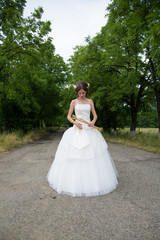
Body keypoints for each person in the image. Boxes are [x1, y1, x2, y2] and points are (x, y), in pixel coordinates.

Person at [47, 81, 118, 197]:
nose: (81, 95)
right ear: (77, 92)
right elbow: (69, 116)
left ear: (86, 92)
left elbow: (95, 115)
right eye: (79, 93)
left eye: (83, 93)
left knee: (93, 154)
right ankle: (73, 182)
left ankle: (94, 182)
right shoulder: (73, 102)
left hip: (89, 129)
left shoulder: (90, 102)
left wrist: (93, 122)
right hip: (77, 129)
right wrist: (75, 123)